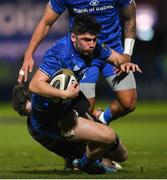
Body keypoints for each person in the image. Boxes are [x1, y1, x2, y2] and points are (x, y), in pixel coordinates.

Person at [15, 14, 141, 174]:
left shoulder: (95, 48)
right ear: (73, 37)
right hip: (49, 119)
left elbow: (117, 58)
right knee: (107, 137)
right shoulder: (60, 53)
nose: (91, 44)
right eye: (87, 40)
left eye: (94, 39)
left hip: (68, 108)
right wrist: (64, 94)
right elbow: (35, 85)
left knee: (121, 155)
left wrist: (126, 63)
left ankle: (84, 156)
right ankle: (84, 163)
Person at [18, 0, 137, 125]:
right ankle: (93, 136)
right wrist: (29, 54)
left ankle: (102, 119)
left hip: (113, 51)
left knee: (128, 103)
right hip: (82, 55)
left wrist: (127, 55)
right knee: (85, 111)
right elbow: (46, 22)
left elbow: (130, 18)